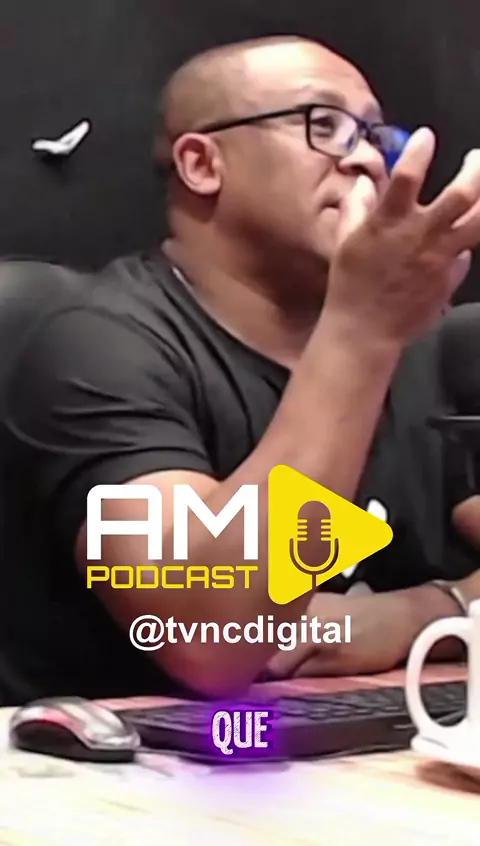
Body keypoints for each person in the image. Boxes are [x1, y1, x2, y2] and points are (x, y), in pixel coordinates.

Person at [0, 34, 480, 704]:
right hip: (150, 760)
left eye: (375, 134)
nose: (367, 158)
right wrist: (360, 330)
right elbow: (211, 635)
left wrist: (422, 611)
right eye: (325, 125)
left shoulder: (413, 346)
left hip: (375, 744)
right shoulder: (99, 346)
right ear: (202, 164)